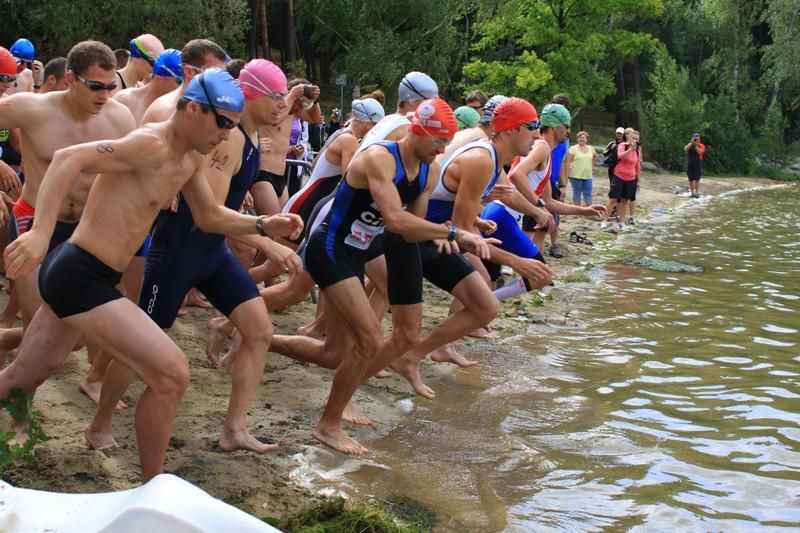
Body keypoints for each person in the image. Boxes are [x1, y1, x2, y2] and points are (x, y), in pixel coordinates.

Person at [0, 68, 301, 482]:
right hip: (79, 273)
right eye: (222, 123)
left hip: (92, 274)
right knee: (172, 373)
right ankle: (153, 487)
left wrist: (263, 225)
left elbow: (209, 216)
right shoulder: (151, 144)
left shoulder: (189, 158)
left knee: (24, 375)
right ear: (193, 110)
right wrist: (40, 232)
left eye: (233, 125)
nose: (226, 135)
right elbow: (69, 158)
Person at [88, 60, 302, 455]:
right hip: (179, 250)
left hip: (212, 252)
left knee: (259, 331)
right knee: (142, 345)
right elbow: (210, 213)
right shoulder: (230, 139)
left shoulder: (249, 136)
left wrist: (264, 228)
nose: (282, 105)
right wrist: (266, 239)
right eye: (274, 96)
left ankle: (234, 429)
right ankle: (99, 422)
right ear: (250, 93)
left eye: (283, 96)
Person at [276, 99, 493, 454]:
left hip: (360, 251)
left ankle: (256, 337)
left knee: (334, 353)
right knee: (370, 341)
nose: (442, 150)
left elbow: (410, 230)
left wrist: (447, 233)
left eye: (446, 142)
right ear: (418, 131)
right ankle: (328, 426)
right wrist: (453, 233)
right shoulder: (380, 158)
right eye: (438, 141)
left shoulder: (429, 171)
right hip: (330, 247)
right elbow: (394, 219)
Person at [0, 41, 137, 332]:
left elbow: (137, 167)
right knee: (37, 325)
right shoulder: (32, 108)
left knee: (76, 332)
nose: (104, 95)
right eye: (95, 86)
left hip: (85, 229)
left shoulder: (120, 118)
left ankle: (5, 340)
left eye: (110, 86)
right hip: (32, 220)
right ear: (71, 79)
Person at [252, 78, 322, 217]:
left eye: (305, 105)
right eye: (301, 103)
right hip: (263, 171)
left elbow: (315, 119)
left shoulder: (294, 110)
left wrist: (315, 101)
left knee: (283, 223)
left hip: (280, 174)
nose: (301, 108)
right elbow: (276, 119)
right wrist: (292, 96)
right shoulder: (276, 107)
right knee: (272, 223)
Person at [113, 48, 183, 124]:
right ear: (160, 77)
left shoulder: (174, 111)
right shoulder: (125, 101)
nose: (184, 87)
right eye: (180, 82)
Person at [545, 94, 571, 258]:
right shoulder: (547, 132)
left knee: (555, 213)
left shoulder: (564, 136)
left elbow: (561, 161)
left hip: (553, 179)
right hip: (541, 179)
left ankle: (555, 244)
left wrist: (562, 184)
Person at [605, 128, 640, 230]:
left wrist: (638, 180)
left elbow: (637, 165)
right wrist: (630, 149)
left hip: (631, 178)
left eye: (636, 139)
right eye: (633, 138)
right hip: (619, 175)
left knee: (625, 201)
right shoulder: (622, 145)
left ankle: (621, 222)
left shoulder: (637, 150)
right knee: (613, 199)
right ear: (629, 137)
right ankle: (604, 220)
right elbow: (620, 156)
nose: (634, 140)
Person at [565, 130, 595, 206]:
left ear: (586, 139)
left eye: (583, 138)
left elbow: (594, 157)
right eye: (580, 137)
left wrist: (591, 166)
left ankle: (589, 210)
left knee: (588, 194)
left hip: (588, 176)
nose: (581, 139)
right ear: (577, 139)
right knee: (577, 193)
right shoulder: (573, 149)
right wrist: (567, 174)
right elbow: (567, 162)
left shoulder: (591, 148)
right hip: (575, 175)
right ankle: (578, 209)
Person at [684, 132, 705, 198]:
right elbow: (685, 149)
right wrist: (691, 143)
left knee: (697, 179)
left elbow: (700, 152)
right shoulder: (690, 144)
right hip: (690, 164)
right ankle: (692, 193)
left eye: (697, 138)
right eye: (695, 138)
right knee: (690, 179)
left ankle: (696, 192)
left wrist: (695, 145)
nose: (696, 139)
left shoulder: (702, 145)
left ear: (699, 139)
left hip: (698, 164)